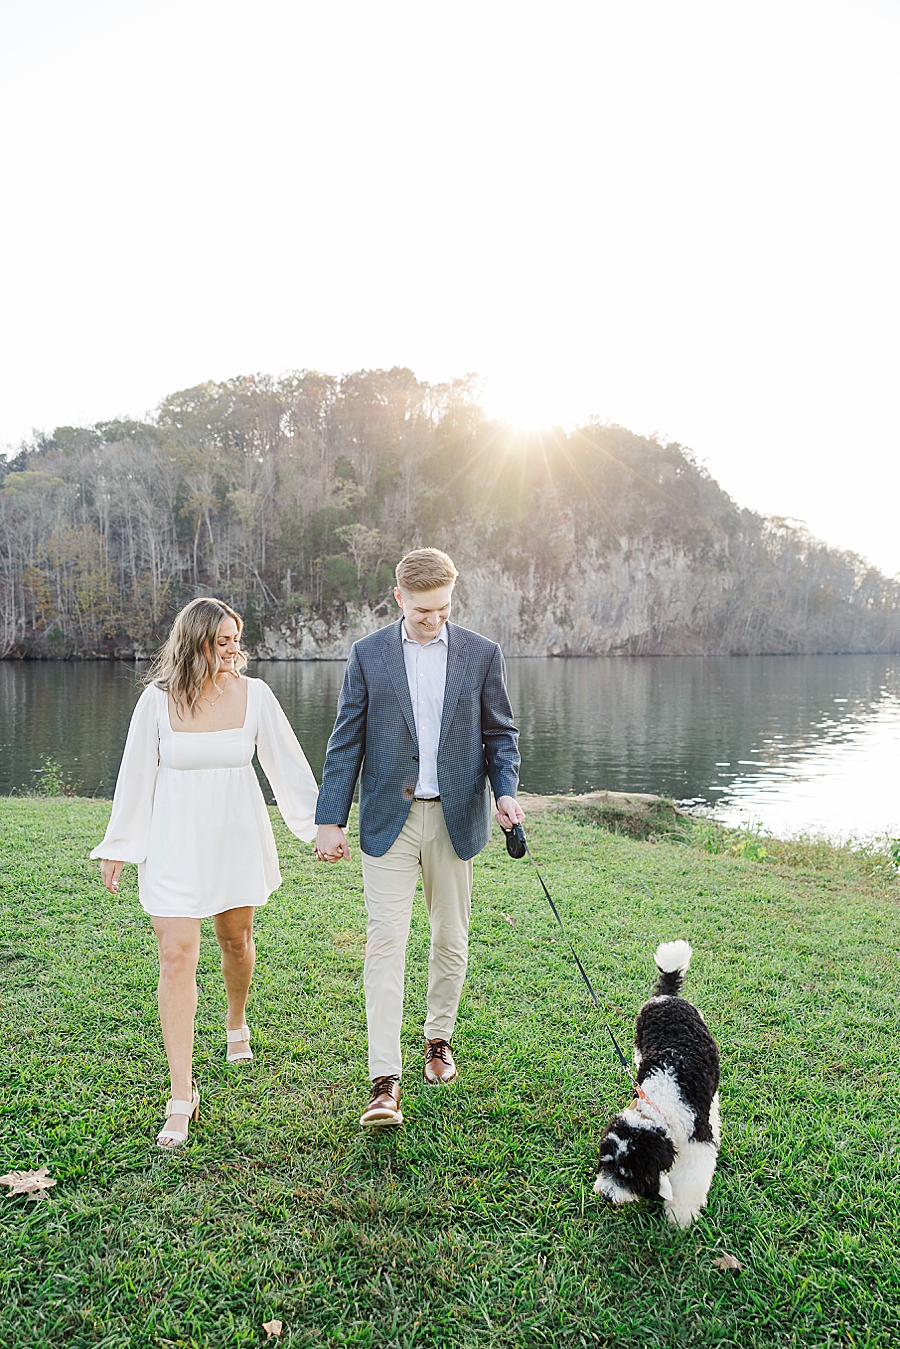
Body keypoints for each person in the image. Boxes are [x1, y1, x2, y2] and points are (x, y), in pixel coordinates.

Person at [91, 597, 318, 1149]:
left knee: (235, 939)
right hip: (174, 840)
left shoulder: (255, 695)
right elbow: (135, 774)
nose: (234, 648)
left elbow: (286, 763)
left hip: (235, 834)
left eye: (237, 638)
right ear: (194, 643)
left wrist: (317, 827)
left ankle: (235, 1020)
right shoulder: (156, 702)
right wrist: (119, 843)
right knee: (176, 955)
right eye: (223, 641)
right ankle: (181, 1092)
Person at [315, 547, 523, 1128]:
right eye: (423, 609)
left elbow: (500, 735)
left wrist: (505, 791)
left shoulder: (482, 655)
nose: (434, 619)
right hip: (390, 822)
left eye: (443, 608)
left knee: (451, 939)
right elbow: (345, 743)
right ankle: (385, 1081)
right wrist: (329, 817)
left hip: (456, 819)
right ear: (400, 598)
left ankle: (438, 1039)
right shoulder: (368, 655)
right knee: (385, 945)